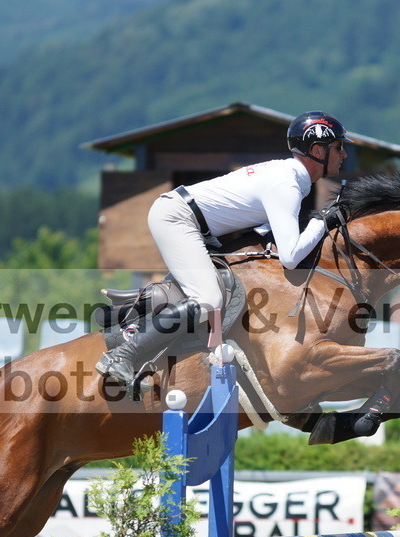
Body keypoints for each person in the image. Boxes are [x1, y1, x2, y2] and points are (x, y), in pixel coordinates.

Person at [97, 111, 350, 384]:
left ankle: (133, 316)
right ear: (316, 150)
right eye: (338, 147)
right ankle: (121, 356)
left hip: (188, 219)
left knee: (215, 289)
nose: (344, 154)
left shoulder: (291, 178)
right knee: (208, 300)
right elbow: (290, 257)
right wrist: (323, 221)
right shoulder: (286, 183)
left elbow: (266, 234)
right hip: (178, 217)